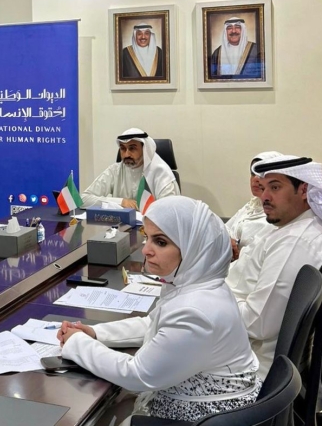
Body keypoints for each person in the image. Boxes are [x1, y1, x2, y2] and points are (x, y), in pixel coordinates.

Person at [58, 196, 260, 422]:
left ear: (194, 248)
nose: (146, 250)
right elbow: (153, 323)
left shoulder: (196, 311)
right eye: (147, 238)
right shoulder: (200, 282)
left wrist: (77, 343)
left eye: (160, 242)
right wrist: (96, 333)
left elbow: (136, 375)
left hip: (205, 418)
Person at [226, 155, 322, 379]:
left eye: (275, 187)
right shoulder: (286, 226)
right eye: (264, 187)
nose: (265, 197)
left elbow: (257, 323)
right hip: (233, 339)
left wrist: (210, 298)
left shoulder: (296, 241)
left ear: (304, 190)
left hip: (248, 364)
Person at [80, 128, 180, 211]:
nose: (126, 154)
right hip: (120, 227)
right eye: (123, 149)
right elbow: (83, 199)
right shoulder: (114, 170)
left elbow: (170, 210)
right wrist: (121, 202)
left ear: (144, 149)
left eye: (132, 148)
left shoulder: (160, 173)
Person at [226, 151, 283, 257]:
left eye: (262, 174)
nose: (256, 179)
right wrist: (227, 241)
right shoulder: (252, 205)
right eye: (253, 173)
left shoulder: (277, 216)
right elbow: (225, 229)